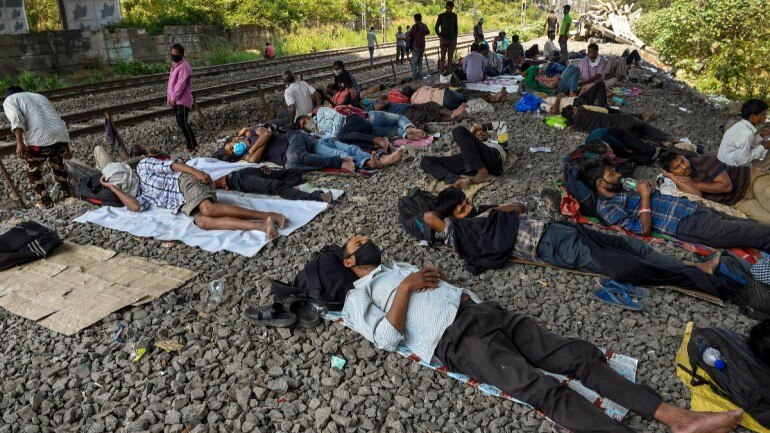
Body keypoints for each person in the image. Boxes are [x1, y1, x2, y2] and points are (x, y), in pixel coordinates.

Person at [338, 234, 745, 433]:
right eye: (359, 242)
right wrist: (407, 288)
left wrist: (440, 285)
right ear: (349, 259)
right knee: (543, 389)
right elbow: (387, 340)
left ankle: (678, 418)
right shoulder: (359, 295)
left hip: (483, 314)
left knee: (581, 356)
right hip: (458, 341)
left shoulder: (396, 266)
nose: (369, 242)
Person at [587, 159, 770, 252]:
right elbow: (641, 229)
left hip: (693, 208)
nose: (618, 175)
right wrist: (644, 196)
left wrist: (647, 190)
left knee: (752, 226)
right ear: (601, 183)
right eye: (612, 173)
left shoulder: (622, 189)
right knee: (758, 234)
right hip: (686, 224)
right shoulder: (607, 208)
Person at [101, 157, 287, 237]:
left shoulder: (143, 166)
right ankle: (262, 225)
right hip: (183, 203)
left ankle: (269, 214)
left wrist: (197, 172)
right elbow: (134, 207)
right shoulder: (140, 194)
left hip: (186, 182)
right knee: (202, 222)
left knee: (209, 209)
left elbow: (172, 166)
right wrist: (113, 188)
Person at [3, 86, 71, 208]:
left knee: (32, 171)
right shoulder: (40, 96)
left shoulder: (10, 100)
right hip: (60, 135)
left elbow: (16, 119)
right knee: (58, 166)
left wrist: (19, 143)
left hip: (39, 139)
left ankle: (46, 203)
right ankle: (67, 196)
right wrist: (67, 146)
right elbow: (55, 119)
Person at [660, 150, 770, 224]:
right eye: (677, 167)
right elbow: (697, 195)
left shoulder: (705, 160)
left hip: (751, 180)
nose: (684, 167)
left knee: (767, 193)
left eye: (683, 160)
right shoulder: (678, 181)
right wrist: (675, 179)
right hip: (737, 201)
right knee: (767, 220)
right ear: (671, 172)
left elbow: (726, 186)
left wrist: (693, 184)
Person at [219, 129, 402, 172]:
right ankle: (373, 159)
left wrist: (254, 144)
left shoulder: (252, 132)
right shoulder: (248, 156)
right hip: (294, 152)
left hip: (295, 139)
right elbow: (253, 160)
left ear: (235, 138)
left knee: (296, 157)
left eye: (231, 145)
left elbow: (267, 135)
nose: (235, 149)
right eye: (232, 152)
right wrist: (254, 148)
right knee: (339, 148)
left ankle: (373, 162)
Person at [295, 109, 426, 151]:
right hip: (367, 132)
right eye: (304, 127)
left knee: (397, 118)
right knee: (396, 130)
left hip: (357, 121)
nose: (307, 125)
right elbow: (332, 141)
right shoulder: (318, 134)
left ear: (307, 116)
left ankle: (410, 128)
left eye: (305, 122)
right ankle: (407, 134)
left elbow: (338, 118)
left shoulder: (321, 112)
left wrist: (333, 134)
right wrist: (319, 132)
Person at [420, 125, 506, 188]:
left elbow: (501, 125)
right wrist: (470, 135)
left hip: (491, 158)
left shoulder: (496, 143)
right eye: (476, 134)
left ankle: (482, 172)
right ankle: (456, 180)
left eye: (482, 131)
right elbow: (465, 140)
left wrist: (477, 127)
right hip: (471, 164)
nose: (479, 133)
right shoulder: (469, 147)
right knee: (425, 161)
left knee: (458, 130)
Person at [562, 106, 670, 145]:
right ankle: (664, 137)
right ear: (574, 109)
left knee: (641, 136)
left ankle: (661, 143)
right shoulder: (582, 108)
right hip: (621, 120)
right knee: (644, 126)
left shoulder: (576, 127)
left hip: (618, 132)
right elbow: (603, 110)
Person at [717, 99, 770, 167]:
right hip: (732, 170)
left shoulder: (740, 126)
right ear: (752, 117)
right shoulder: (747, 133)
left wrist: (761, 136)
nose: (765, 117)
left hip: (724, 165)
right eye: (763, 114)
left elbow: (746, 144)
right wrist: (763, 146)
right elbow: (742, 161)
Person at [166, 43, 198, 152]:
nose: (173, 56)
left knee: (182, 123)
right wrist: (171, 98)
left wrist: (174, 98)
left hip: (182, 100)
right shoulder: (175, 65)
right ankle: (193, 144)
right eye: (172, 54)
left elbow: (181, 84)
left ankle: (191, 146)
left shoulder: (184, 66)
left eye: (175, 54)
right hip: (176, 100)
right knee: (182, 123)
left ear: (181, 54)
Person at [362, 98, 467, 123]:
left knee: (430, 105)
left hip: (407, 107)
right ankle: (452, 119)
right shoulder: (368, 108)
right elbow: (380, 107)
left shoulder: (370, 104)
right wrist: (384, 101)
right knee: (425, 115)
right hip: (403, 114)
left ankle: (452, 113)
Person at [541, 81, 610, 114]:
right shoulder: (543, 103)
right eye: (537, 94)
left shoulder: (549, 98)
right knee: (600, 85)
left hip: (578, 100)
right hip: (576, 106)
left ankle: (603, 108)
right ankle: (603, 109)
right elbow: (553, 111)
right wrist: (558, 99)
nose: (538, 93)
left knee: (599, 84)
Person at [435, 1, 458, 74]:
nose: (449, 9)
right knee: (442, 57)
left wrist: (455, 39)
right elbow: (436, 27)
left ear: (452, 8)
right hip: (444, 39)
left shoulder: (454, 16)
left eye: (450, 8)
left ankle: (449, 71)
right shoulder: (441, 16)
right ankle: (441, 72)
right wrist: (440, 36)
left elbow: (456, 28)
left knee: (450, 57)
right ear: (446, 7)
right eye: (448, 8)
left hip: (452, 40)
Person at [403, 85, 467, 110]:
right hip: (446, 94)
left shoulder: (413, 103)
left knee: (465, 106)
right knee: (464, 98)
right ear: (413, 89)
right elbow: (435, 89)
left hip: (444, 105)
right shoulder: (421, 89)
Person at [407, 14, 430, 80]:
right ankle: (420, 75)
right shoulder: (424, 25)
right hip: (422, 46)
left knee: (414, 62)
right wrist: (422, 34)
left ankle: (415, 77)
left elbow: (409, 34)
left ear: (415, 19)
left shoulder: (414, 27)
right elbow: (428, 32)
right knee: (420, 62)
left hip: (416, 46)